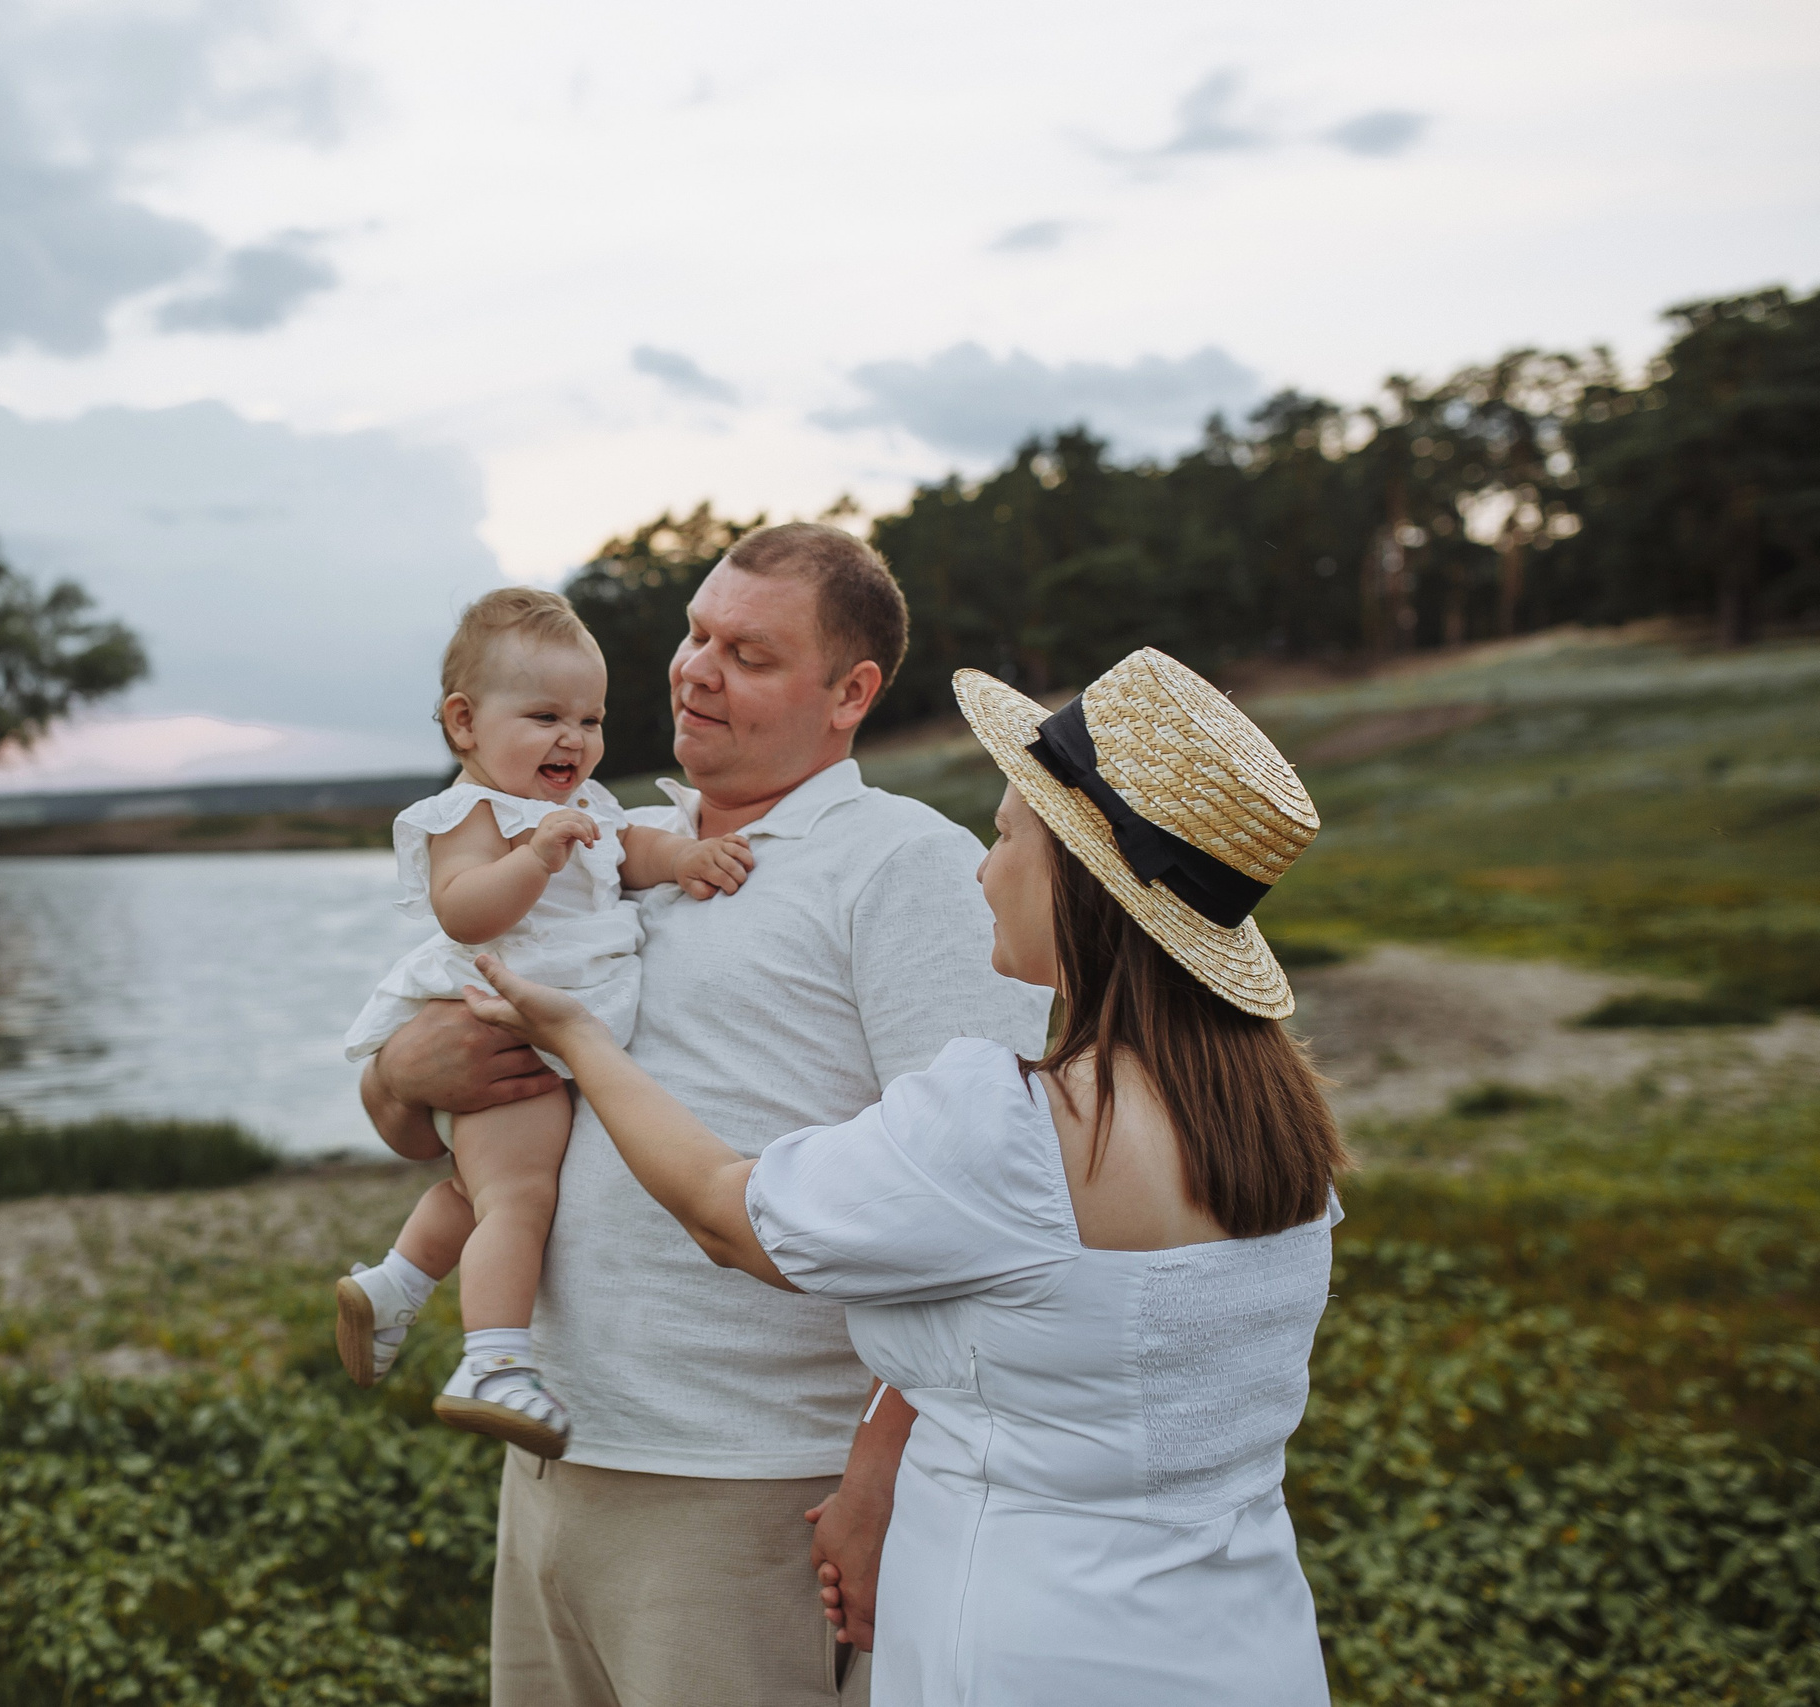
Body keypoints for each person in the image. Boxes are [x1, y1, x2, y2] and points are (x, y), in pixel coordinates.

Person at [463, 644, 1352, 1704]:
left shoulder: (1013, 1130)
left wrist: (582, 1041)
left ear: (1077, 883)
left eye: (1006, 836)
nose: (984, 868)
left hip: (1027, 1644)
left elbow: (724, 1213)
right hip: (1237, 1638)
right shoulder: (1280, 1128)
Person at [360, 525, 1055, 1705]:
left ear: (850, 693)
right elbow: (429, 1126)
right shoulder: (598, 845)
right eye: (693, 633)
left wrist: (881, 1473)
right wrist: (399, 1077)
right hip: (552, 1458)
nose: (693, 669)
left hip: (758, 1486)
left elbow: (991, 1203)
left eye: (747, 651)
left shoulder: (900, 866)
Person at [337, 587, 757, 1457]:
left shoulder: (590, 806)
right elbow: (463, 911)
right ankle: (492, 1361)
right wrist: (533, 856)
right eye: (544, 715)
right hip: (500, 1025)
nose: (573, 738)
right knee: (520, 1197)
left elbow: (630, 852)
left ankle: (393, 1286)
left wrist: (682, 855)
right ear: (464, 723)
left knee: (480, 1192)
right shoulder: (471, 813)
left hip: (543, 1032)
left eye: (590, 718)